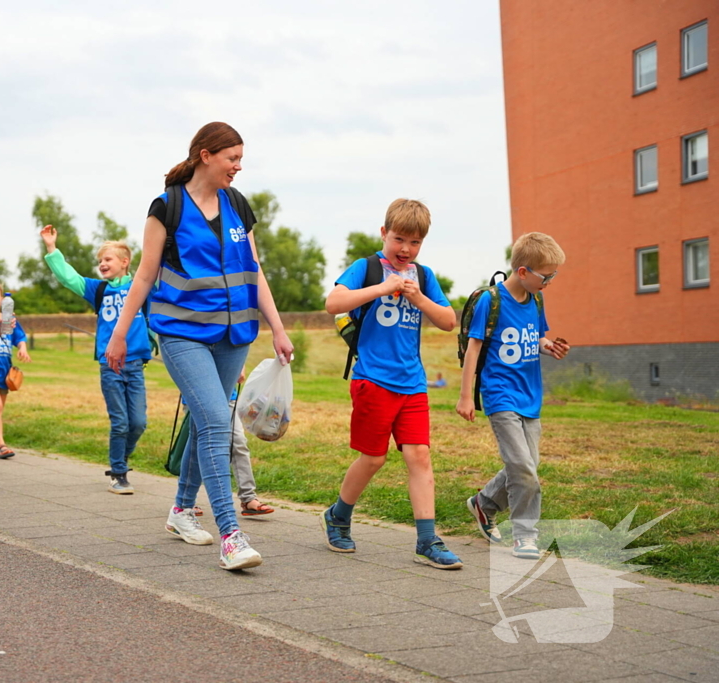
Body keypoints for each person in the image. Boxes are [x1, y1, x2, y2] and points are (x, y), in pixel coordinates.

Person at [105, 121, 294, 571]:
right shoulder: (167, 207)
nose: (238, 166)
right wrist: (119, 331)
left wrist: (278, 327)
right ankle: (231, 534)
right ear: (206, 155)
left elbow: (255, 271)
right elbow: (146, 275)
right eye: (232, 158)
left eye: (240, 159)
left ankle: (181, 510)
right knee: (212, 419)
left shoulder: (238, 206)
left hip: (233, 335)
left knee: (207, 421)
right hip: (181, 333)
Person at [320, 199, 462, 569]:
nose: (405, 250)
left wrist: (417, 295)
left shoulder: (425, 276)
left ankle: (427, 540)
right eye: (399, 239)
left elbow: (449, 321)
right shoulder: (365, 268)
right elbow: (333, 303)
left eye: (415, 243)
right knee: (374, 457)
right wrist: (382, 288)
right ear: (384, 234)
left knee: (419, 455)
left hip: (412, 382)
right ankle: (338, 514)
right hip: (372, 380)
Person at [456, 232, 569, 560]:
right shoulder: (490, 302)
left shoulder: (535, 300)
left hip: (531, 396)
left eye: (553, 275)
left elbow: (536, 338)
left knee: (527, 466)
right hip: (500, 394)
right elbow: (474, 349)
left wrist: (549, 347)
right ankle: (525, 535)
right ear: (523, 272)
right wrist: (466, 397)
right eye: (545, 276)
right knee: (522, 467)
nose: (549, 281)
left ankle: (484, 503)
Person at [42, 228, 152, 493]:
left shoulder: (142, 286)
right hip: (110, 365)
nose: (102, 264)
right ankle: (118, 473)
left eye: (108, 259)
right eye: (100, 261)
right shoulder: (97, 289)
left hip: (136, 364)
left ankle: (120, 460)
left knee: (138, 423)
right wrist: (51, 249)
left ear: (125, 262)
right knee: (120, 422)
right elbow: (69, 278)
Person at [183, 367, 275, 516]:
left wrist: (240, 365)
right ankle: (187, 501)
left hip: (228, 396)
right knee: (198, 445)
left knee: (238, 442)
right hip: (197, 397)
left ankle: (248, 498)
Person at [0, 280, 30, 459]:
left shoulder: (7, 318)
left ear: (2, 299)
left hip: (4, 371)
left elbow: (19, 336)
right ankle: (1, 445)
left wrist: (23, 348)